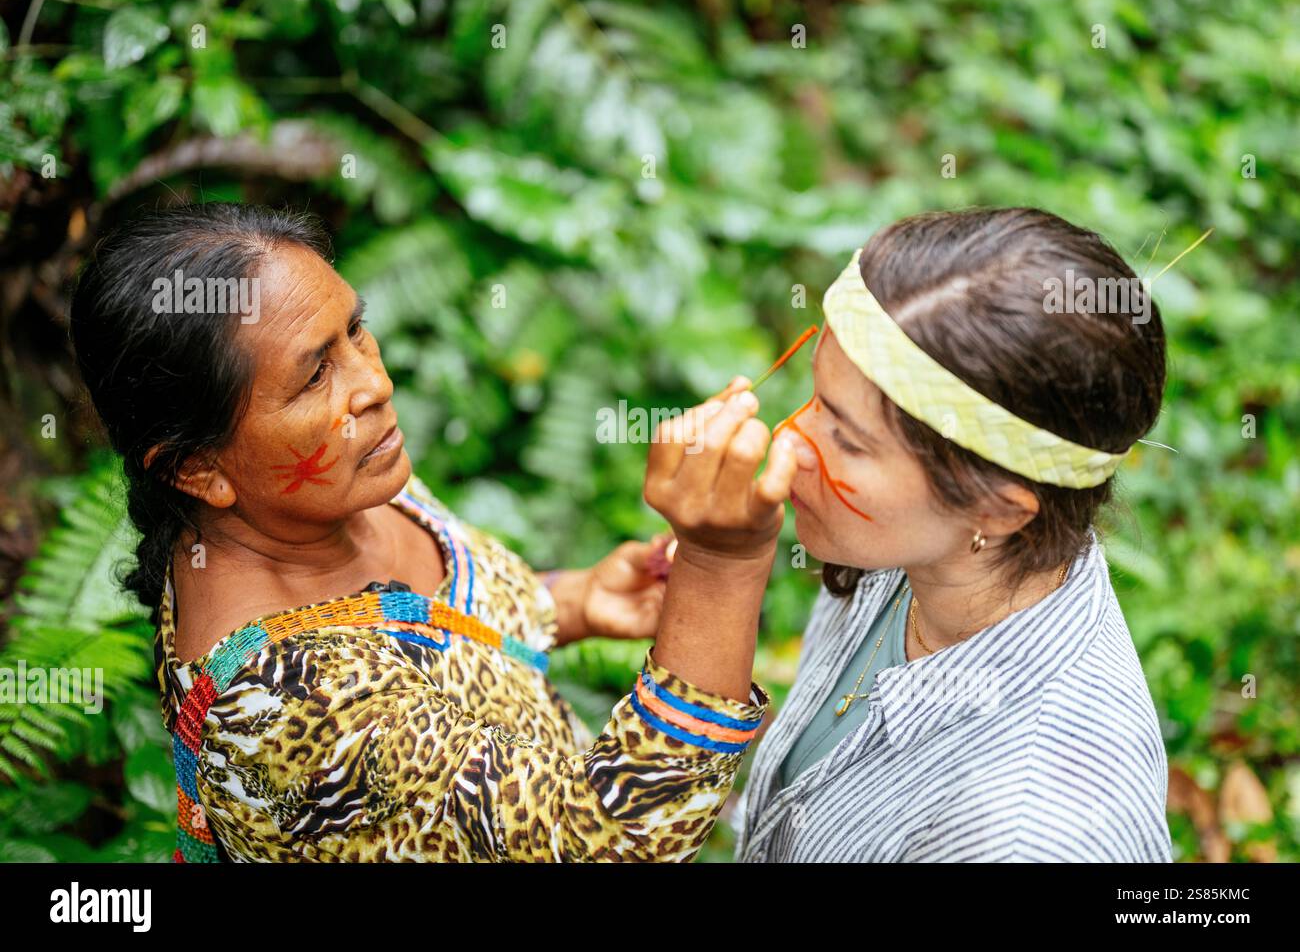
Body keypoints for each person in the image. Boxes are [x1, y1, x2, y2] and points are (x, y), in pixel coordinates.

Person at [69, 202, 797, 862]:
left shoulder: (332, 489)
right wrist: (720, 563)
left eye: (354, 329)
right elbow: (605, 841)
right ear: (198, 470)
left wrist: (571, 603)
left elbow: (428, 629)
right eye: (315, 375)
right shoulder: (289, 710)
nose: (373, 383)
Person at [735, 207, 1173, 862]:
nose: (787, 442)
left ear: (997, 510)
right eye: (818, 402)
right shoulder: (915, 550)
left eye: (847, 440)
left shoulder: (1030, 834)